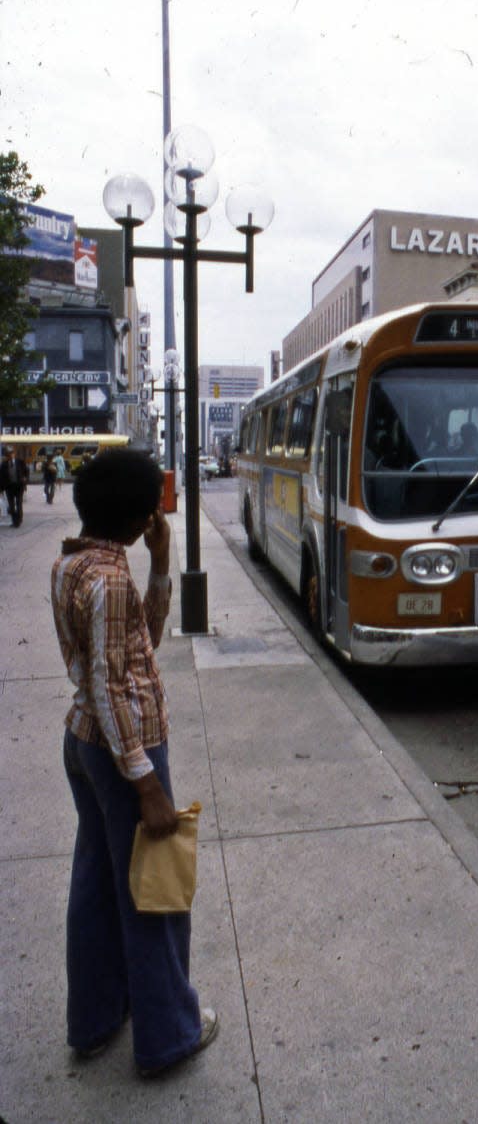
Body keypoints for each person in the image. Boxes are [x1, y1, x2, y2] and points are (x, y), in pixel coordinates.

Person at [51, 448, 218, 1076]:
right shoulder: (107, 578)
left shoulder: (74, 562)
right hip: (125, 751)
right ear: (135, 514)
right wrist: (146, 781)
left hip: (85, 743)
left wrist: (161, 561)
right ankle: (168, 1034)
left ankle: (95, 1020)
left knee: (96, 883)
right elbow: (109, 683)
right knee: (155, 893)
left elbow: (140, 635)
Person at [0, 446, 29, 526]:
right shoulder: (4, 465)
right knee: (11, 506)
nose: (10, 455)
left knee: (19, 503)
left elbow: (27, 471)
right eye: (8, 454)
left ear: (14, 454)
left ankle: (18, 521)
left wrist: (25, 479)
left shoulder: (20, 462)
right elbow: (1, 477)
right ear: (6, 455)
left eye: (11, 453)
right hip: (9, 487)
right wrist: (1, 489)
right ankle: (15, 520)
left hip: (19, 486)